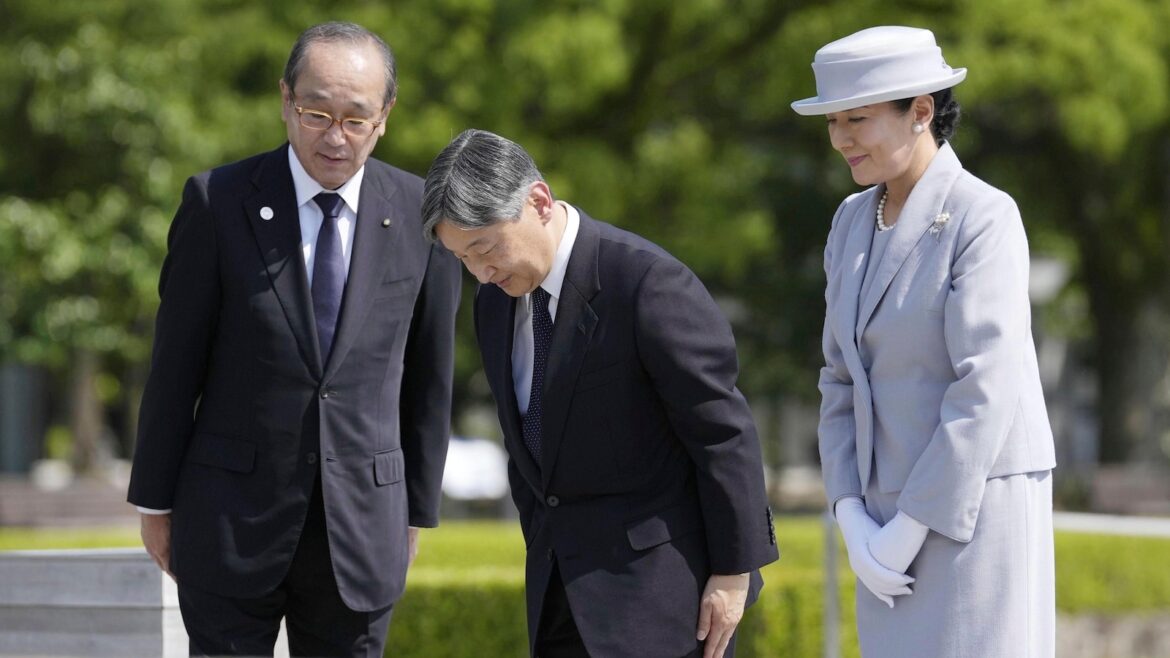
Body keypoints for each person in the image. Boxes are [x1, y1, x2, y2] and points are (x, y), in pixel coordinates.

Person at [126, 21, 461, 657]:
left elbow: (430, 377)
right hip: (229, 518)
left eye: (355, 119)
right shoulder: (217, 201)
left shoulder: (422, 217)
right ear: (285, 100)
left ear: (384, 118)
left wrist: (414, 512)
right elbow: (174, 365)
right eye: (316, 113)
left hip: (362, 528)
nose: (334, 137)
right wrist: (154, 500)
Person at [421, 129, 779, 658]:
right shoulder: (493, 302)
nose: (481, 272)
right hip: (558, 599)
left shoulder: (646, 282)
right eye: (462, 258)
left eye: (485, 248)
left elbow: (722, 435)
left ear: (538, 201)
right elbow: (527, 447)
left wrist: (733, 573)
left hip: (664, 602)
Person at [791, 26, 1057, 657]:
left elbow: (985, 385)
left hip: (974, 504)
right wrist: (849, 512)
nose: (841, 138)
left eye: (857, 119)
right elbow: (838, 375)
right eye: (832, 122)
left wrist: (911, 526)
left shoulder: (984, 215)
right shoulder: (849, 221)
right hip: (879, 518)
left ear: (920, 111)